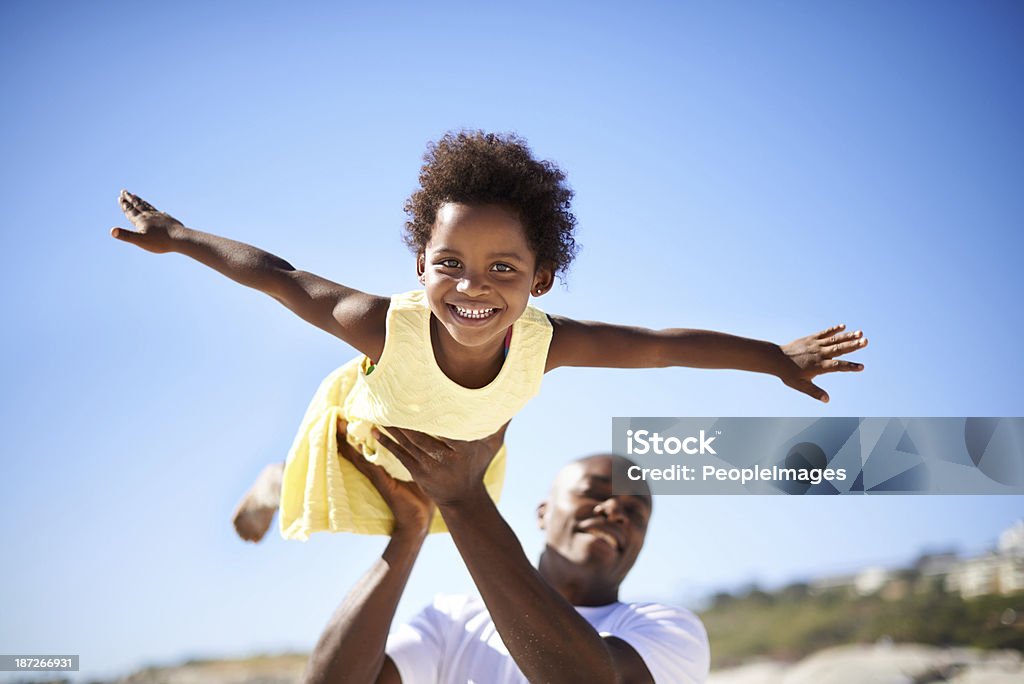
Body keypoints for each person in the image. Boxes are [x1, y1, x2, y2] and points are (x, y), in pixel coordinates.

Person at [111, 130, 868, 541]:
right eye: (451, 264)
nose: (473, 287)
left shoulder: (547, 341)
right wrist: (177, 235)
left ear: (540, 278)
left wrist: (772, 357)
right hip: (359, 441)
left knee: (420, 519)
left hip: (458, 461)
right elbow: (279, 275)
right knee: (343, 498)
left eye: (502, 267)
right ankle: (280, 480)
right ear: (421, 263)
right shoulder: (382, 324)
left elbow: (661, 345)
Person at [303, 422, 709, 684]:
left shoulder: (666, 630)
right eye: (594, 493)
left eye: (635, 512)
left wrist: (464, 499)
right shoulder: (452, 621)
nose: (615, 511)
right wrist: (410, 534)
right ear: (543, 513)